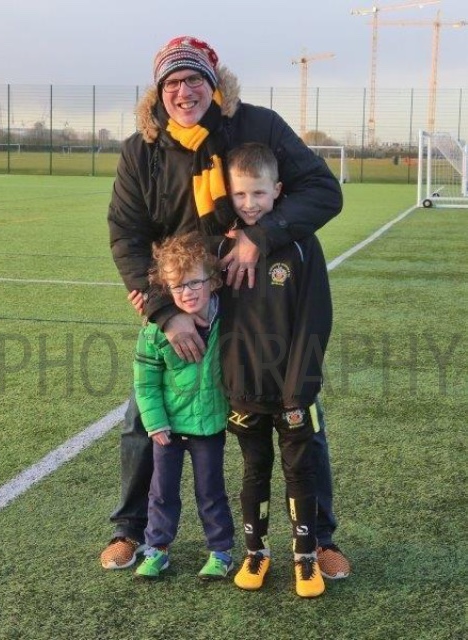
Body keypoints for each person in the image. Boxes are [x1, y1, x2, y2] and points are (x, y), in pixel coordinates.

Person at [102, 35, 349, 580]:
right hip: (183, 298)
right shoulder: (141, 150)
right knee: (145, 414)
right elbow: (127, 234)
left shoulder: (257, 126)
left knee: (298, 411)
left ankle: (321, 538)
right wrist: (166, 311)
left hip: (255, 296)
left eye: (194, 79)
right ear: (158, 92)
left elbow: (322, 191)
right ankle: (129, 530)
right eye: (172, 82)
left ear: (214, 85)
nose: (184, 91)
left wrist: (260, 235)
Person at [219, 142, 333, 597]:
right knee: (254, 471)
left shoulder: (303, 244)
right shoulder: (223, 244)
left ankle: (306, 558)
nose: (250, 204)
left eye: (259, 193)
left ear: (278, 191)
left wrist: (299, 389)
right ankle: (256, 552)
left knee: (300, 472)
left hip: (292, 390)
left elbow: (315, 318)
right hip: (245, 387)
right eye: (240, 194)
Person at [133, 232, 234, 580]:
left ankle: (221, 551)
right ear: (166, 288)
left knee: (211, 492)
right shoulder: (155, 331)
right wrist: (155, 423)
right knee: (162, 493)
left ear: (214, 281)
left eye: (194, 283)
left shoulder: (228, 320)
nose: (187, 292)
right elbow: (145, 382)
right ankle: (157, 549)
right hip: (168, 430)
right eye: (177, 286)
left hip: (209, 427)